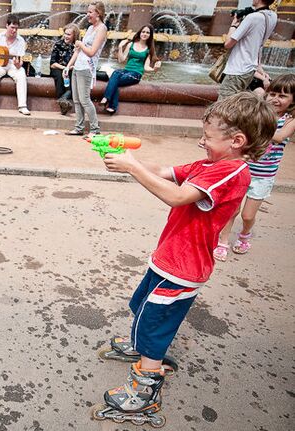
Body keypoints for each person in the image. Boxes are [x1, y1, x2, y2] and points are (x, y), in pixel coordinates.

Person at [92, 92, 276, 427]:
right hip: (169, 258)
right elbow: (165, 172)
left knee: (155, 326)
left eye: (207, 136)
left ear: (236, 140)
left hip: (183, 268)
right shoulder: (210, 164)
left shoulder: (231, 172)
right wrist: (124, 159)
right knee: (143, 305)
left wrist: (132, 167)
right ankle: (139, 347)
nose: (201, 141)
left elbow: (178, 197)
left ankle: (144, 394)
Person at [214, 74, 295, 262]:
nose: (276, 99)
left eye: (283, 96)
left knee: (247, 215)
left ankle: (244, 234)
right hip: (243, 170)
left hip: (263, 176)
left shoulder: (289, 121)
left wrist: (255, 126)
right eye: (272, 93)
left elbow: (281, 136)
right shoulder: (259, 114)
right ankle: (223, 242)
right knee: (231, 210)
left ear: (292, 100)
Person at [218, 0, 277, 100]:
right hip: (250, 70)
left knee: (222, 107)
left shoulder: (253, 17)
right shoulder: (272, 16)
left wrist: (234, 25)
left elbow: (228, 44)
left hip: (237, 70)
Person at [65, 1, 107, 137]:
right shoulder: (90, 28)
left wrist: (80, 44)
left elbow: (91, 52)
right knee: (76, 100)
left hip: (87, 68)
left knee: (84, 99)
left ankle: (95, 129)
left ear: (98, 13)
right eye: (87, 12)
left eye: (90, 12)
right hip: (78, 67)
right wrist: (68, 66)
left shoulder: (102, 29)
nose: (87, 15)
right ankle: (79, 127)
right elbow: (78, 51)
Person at [100, 24, 161, 115]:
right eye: (143, 31)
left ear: (150, 35)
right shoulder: (131, 45)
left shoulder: (149, 50)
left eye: (147, 33)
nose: (145, 34)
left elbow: (145, 67)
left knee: (114, 80)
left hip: (136, 74)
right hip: (126, 71)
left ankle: (107, 98)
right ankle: (112, 106)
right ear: (140, 33)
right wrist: (120, 47)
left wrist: (154, 69)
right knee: (116, 73)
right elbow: (121, 60)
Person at [50, 23, 79, 115]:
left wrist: (70, 68)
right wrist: (65, 68)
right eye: (65, 33)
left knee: (73, 80)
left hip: (72, 70)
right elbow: (52, 64)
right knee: (59, 77)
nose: (66, 36)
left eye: (69, 34)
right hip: (58, 68)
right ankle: (63, 102)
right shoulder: (58, 44)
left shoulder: (77, 46)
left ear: (74, 36)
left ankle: (63, 100)